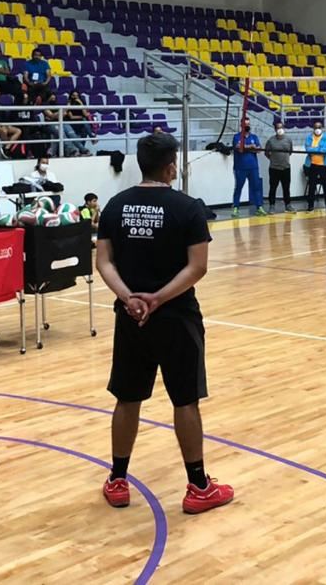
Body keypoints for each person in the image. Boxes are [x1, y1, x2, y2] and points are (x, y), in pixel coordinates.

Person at [96, 132, 234, 515]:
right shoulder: (188, 208)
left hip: (130, 317)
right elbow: (197, 267)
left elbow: (103, 261)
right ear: (172, 165)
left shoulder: (115, 206)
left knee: (128, 397)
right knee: (185, 400)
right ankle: (198, 487)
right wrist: (157, 298)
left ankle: (118, 480)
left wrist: (129, 297)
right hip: (175, 317)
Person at [230, 118, 266, 219]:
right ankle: (236, 207)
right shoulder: (237, 136)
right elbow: (239, 148)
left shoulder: (254, 136)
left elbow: (258, 149)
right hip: (240, 167)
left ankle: (259, 207)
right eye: (245, 124)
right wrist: (250, 147)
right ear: (241, 125)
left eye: (248, 124)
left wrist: (249, 148)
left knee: (256, 187)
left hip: (253, 167)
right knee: (238, 187)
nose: (247, 126)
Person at [264, 121, 294, 213]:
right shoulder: (271, 140)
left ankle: (288, 205)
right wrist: (273, 159)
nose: (280, 129)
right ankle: (272, 206)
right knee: (273, 188)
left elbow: (290, 152)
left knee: (286, 188)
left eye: (281, 127)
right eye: (278, 128)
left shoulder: (288, 140)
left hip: (286, 168)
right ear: (275, 129)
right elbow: (266, 153)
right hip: (274, 168)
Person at [305, 121, 326, 212]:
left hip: (324, 165)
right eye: (316, 127)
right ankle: (310, 206)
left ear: (322, 128)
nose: (317, 129)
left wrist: (314, 149)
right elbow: (308, 149)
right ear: (313, 128)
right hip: (312, 164)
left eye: (319, 127)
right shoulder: (309, 137)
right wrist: (317, 149)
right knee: (312, 185)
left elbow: (325, 150)